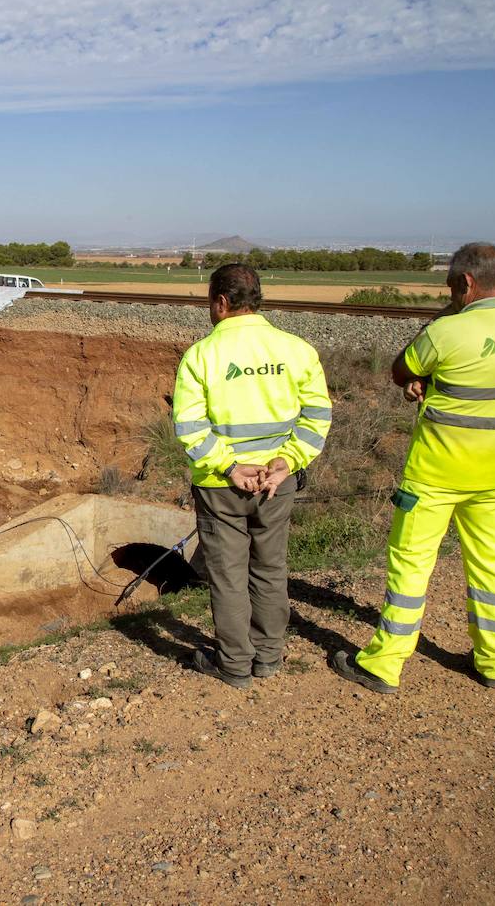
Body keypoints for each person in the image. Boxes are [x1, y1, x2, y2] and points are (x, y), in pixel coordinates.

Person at [335, 243, 495, 694]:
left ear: (466, 283)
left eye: (451, 285)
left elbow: (400, 368)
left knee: (410, 568)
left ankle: (384, 663)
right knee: (492, 567)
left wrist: (431, 355)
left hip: (435, 475)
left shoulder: (448, 331)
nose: (448, 292)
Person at [173, 263, 332, 689]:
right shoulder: (297, 350)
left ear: (222, 303)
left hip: (220, 486)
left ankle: (235, 664)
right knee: (270, 568)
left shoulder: (201, 356)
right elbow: (317, 415)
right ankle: (268, 657)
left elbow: (189, 428)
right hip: (276, 484)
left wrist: (227, 465)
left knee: (227, 576)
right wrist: (289, 461)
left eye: (211, 303)